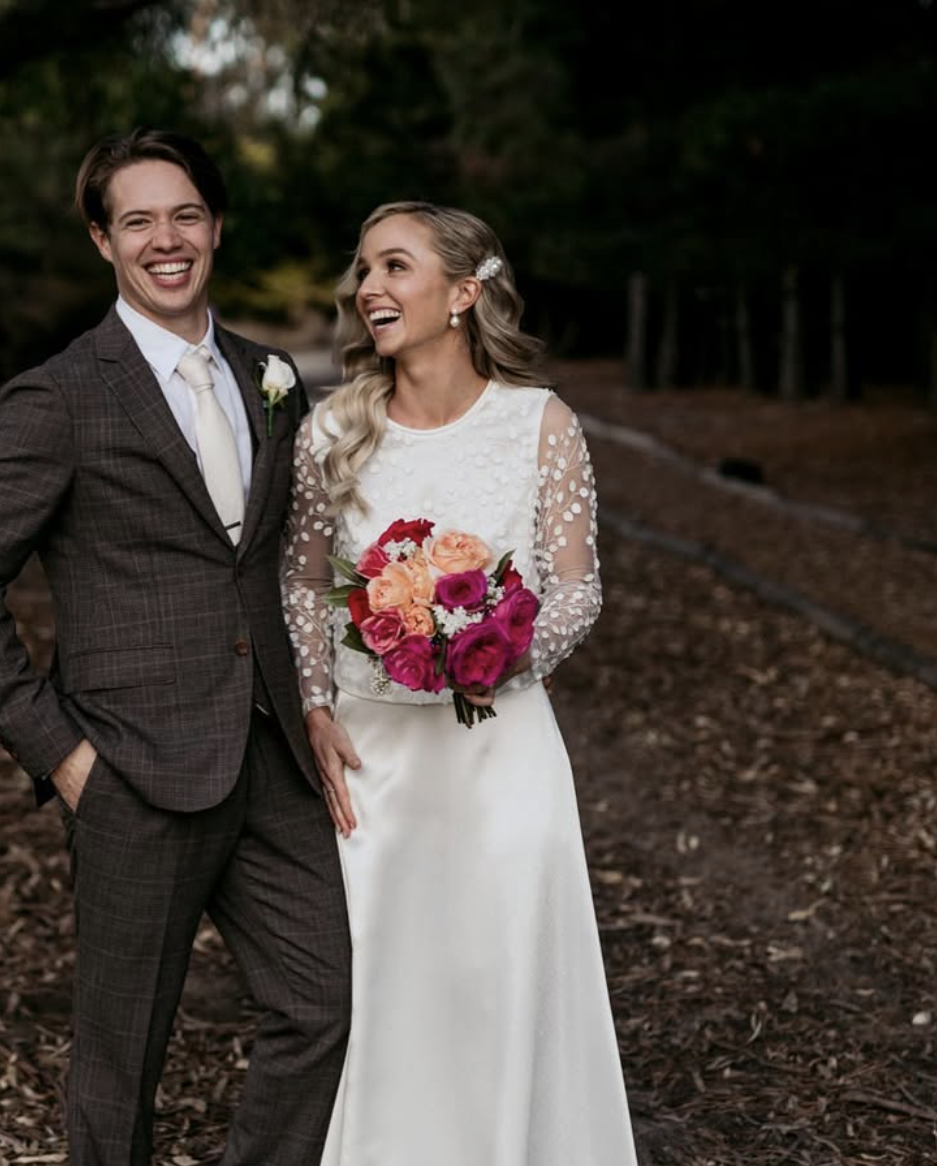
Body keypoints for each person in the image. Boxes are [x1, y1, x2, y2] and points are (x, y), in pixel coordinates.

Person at [0, 128, 351, 1166]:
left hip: (273, 759)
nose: (168, 238)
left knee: (324, 1002)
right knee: (121, 1065)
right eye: (139, 220)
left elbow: (288, 560)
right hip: (132, 772)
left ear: (216, 226)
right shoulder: (60, 394)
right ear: (102, 241)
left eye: (186, 214)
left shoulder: (273, 375)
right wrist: (61, 754)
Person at [282, 201, 637, 1165]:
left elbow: (577, 588)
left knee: (507, 971)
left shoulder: (540, 424)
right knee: (395, 987)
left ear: (464, 292)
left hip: (502, 749)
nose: (369, 289)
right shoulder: (333, 431)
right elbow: (304, 582)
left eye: (395, 267)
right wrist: (315, 706)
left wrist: (489, 645)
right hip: (377, 758)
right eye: (363, 270)